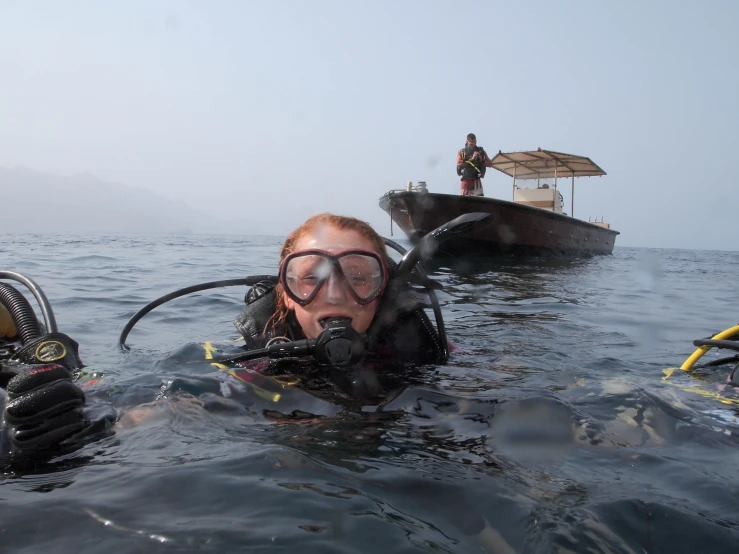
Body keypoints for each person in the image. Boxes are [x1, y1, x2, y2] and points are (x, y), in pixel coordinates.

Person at [456, 132, 493, 197]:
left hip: (476, 180)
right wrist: (471, 159)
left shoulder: (481, 151)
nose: (473, 145)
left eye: (474, 143)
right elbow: (459, 164)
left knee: (480, 202)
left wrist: (481, 160)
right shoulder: (461, 152)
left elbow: (490, 164)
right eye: (471, 143)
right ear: (467, 142)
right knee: (464, 202)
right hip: (466, 180)